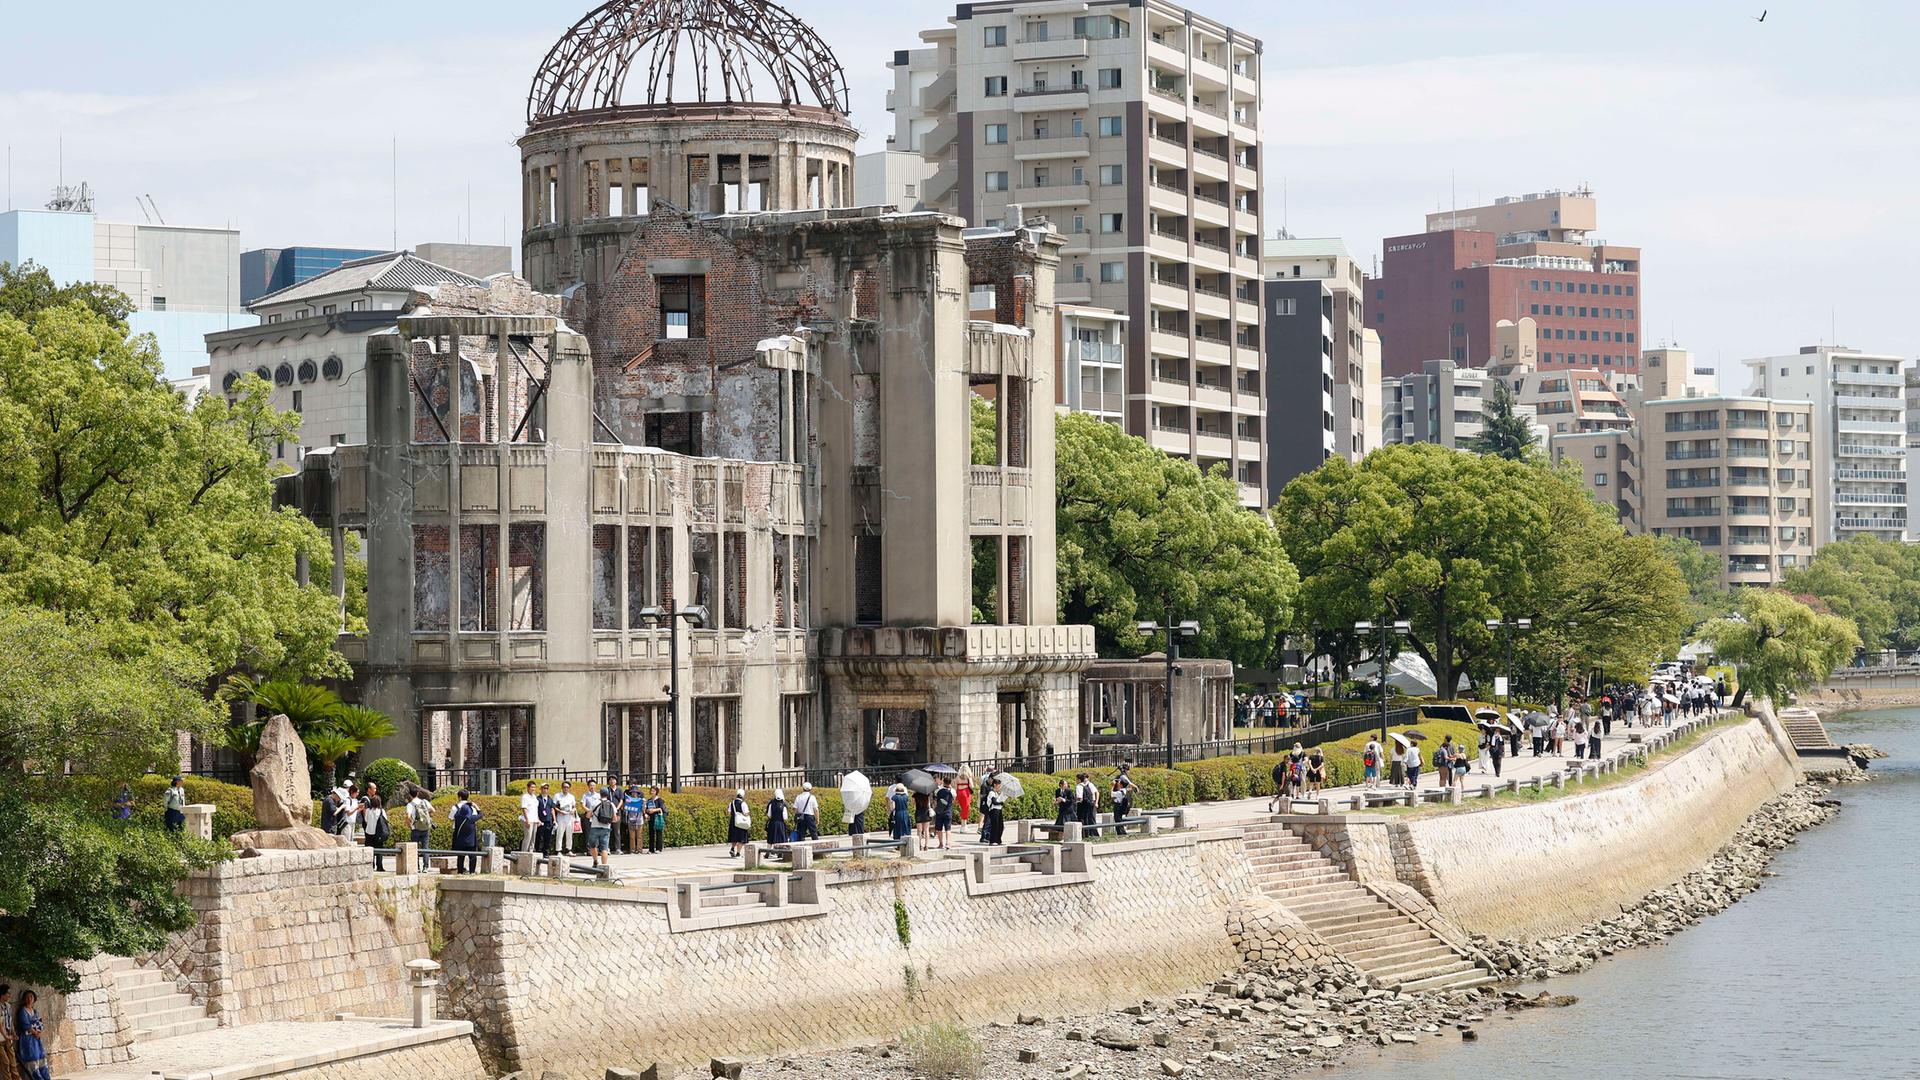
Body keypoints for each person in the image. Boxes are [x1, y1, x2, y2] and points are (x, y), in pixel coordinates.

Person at [15, 990, 49, 1080]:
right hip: (27, 1040)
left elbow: (40, 1024)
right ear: (24, 999)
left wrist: (39, 1033)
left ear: (34, 999)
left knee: (41, 1060)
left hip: (36, 1039)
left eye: (31, 997)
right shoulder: (22, 1011)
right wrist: (35, 1032)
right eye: (27, 997)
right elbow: (25, 1025)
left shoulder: (35, 1011)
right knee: (32, 1062)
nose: (29, 999)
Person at [451, 790, 482, 873]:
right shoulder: (471, 809)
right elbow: (480, 815)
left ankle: (460, 872)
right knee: (472, 856)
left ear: (459, 797)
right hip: (471, 838)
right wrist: (477, 807)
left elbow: (451, 818)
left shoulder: (456, 811)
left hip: (459, 836)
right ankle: (472, 872)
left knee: (460, 857)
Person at [1110, 765, 1138, 835]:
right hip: (1121, 802)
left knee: (1118, 820)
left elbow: (1111, 794)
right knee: (1119, 819)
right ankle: (1122, 833)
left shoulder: (1121, 779)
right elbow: (1129, 784)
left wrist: (1112, 786)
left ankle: (1121, 833)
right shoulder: (1123, 778)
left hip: (1118, 803)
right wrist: (1135, 787)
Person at [980, 777, 1007, 846]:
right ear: (995, 784)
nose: (999, 786)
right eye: (998, 785)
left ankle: (998, 840)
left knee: (1000, 826)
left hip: (999, 810)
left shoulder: (997, 793)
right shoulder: (991, 793)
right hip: (993, 811)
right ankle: (992, 840)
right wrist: (1001, 802)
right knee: (994, 826)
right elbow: (994, 802)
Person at [555, 781, 579, 855]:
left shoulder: (571, 796)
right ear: (562, 788)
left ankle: (569, 850)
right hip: (561, 816)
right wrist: (559, 811)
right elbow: (554, 806)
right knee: (560, 833)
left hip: (569, 817)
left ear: (569, 788)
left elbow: (574, 806)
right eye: (564, 787)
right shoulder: (557, 795)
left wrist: (573, 810)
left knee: (569, 834)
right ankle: (558, 850)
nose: (566, 788)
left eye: (567, 787)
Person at [931, 776, 955, 849]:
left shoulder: (938, 791)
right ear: (950, 783)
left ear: (943, 782)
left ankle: (941, 844)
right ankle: (948, 843)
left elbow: (935, 801)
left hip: (939, 812)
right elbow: (953, 800)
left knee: (939, 829)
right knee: (948, 829)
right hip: (948, 811)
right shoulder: (952, 791)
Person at [623, 783, 647, 856]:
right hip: (631, 820)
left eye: (635, 792)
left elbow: (643, 810)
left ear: (637, 793)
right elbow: (625, 810)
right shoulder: (629, 800)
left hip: (639, 820)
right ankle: (632, 850)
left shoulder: (641, 800)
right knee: (632, 837)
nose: (634, 793)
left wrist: (644, 803)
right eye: (633, 792)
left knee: (639, 836)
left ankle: (639, 849)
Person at [727, 788, 751, 857]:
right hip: (741, 823)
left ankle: (732, 849)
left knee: (734, 837)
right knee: (741, 838)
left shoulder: (731, 803)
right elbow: (746, 813)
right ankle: (738, 853)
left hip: (733, 822)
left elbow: (729, 812)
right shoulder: (743, 803)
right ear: (743, 795)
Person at [535, 783, 557, 856]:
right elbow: (535, 810)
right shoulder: (537, 799)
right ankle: (539, 851)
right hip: (541, 821)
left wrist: (554, 820)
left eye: (547, 788)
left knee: (548, 838)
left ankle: (546, 852)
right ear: (541, 789)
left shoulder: (550, 799)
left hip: (548, 821)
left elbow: (552, 809)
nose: (545, 790)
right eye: (544, 788)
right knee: (540, 837)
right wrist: (538, 819)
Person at [644, 786, 668, 854]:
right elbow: (646, 809)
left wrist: (653, 810)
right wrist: (646, 811)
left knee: (658, 833)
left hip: (657, 818)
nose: (652, 792)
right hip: (650, 818)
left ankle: (659, 849)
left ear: (656, 792)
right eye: (651, 790)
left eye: (654, 791)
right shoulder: (649, 800)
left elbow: (661, 809)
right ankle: (651, 849)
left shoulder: (659, 800)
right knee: (651, 834)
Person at [518, 783, 540, 853]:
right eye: (531, 787)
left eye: (534, 787)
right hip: (528, 820)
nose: (533, 789)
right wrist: (527, 820)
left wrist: (538, 819)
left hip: (534, 820)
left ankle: (531, 853)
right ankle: (524, 853)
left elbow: (535, 809)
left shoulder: (534, 797)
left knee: (533, 838)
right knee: (528, 837)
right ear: (528, 788)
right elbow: (524, 809)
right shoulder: (525, 797)